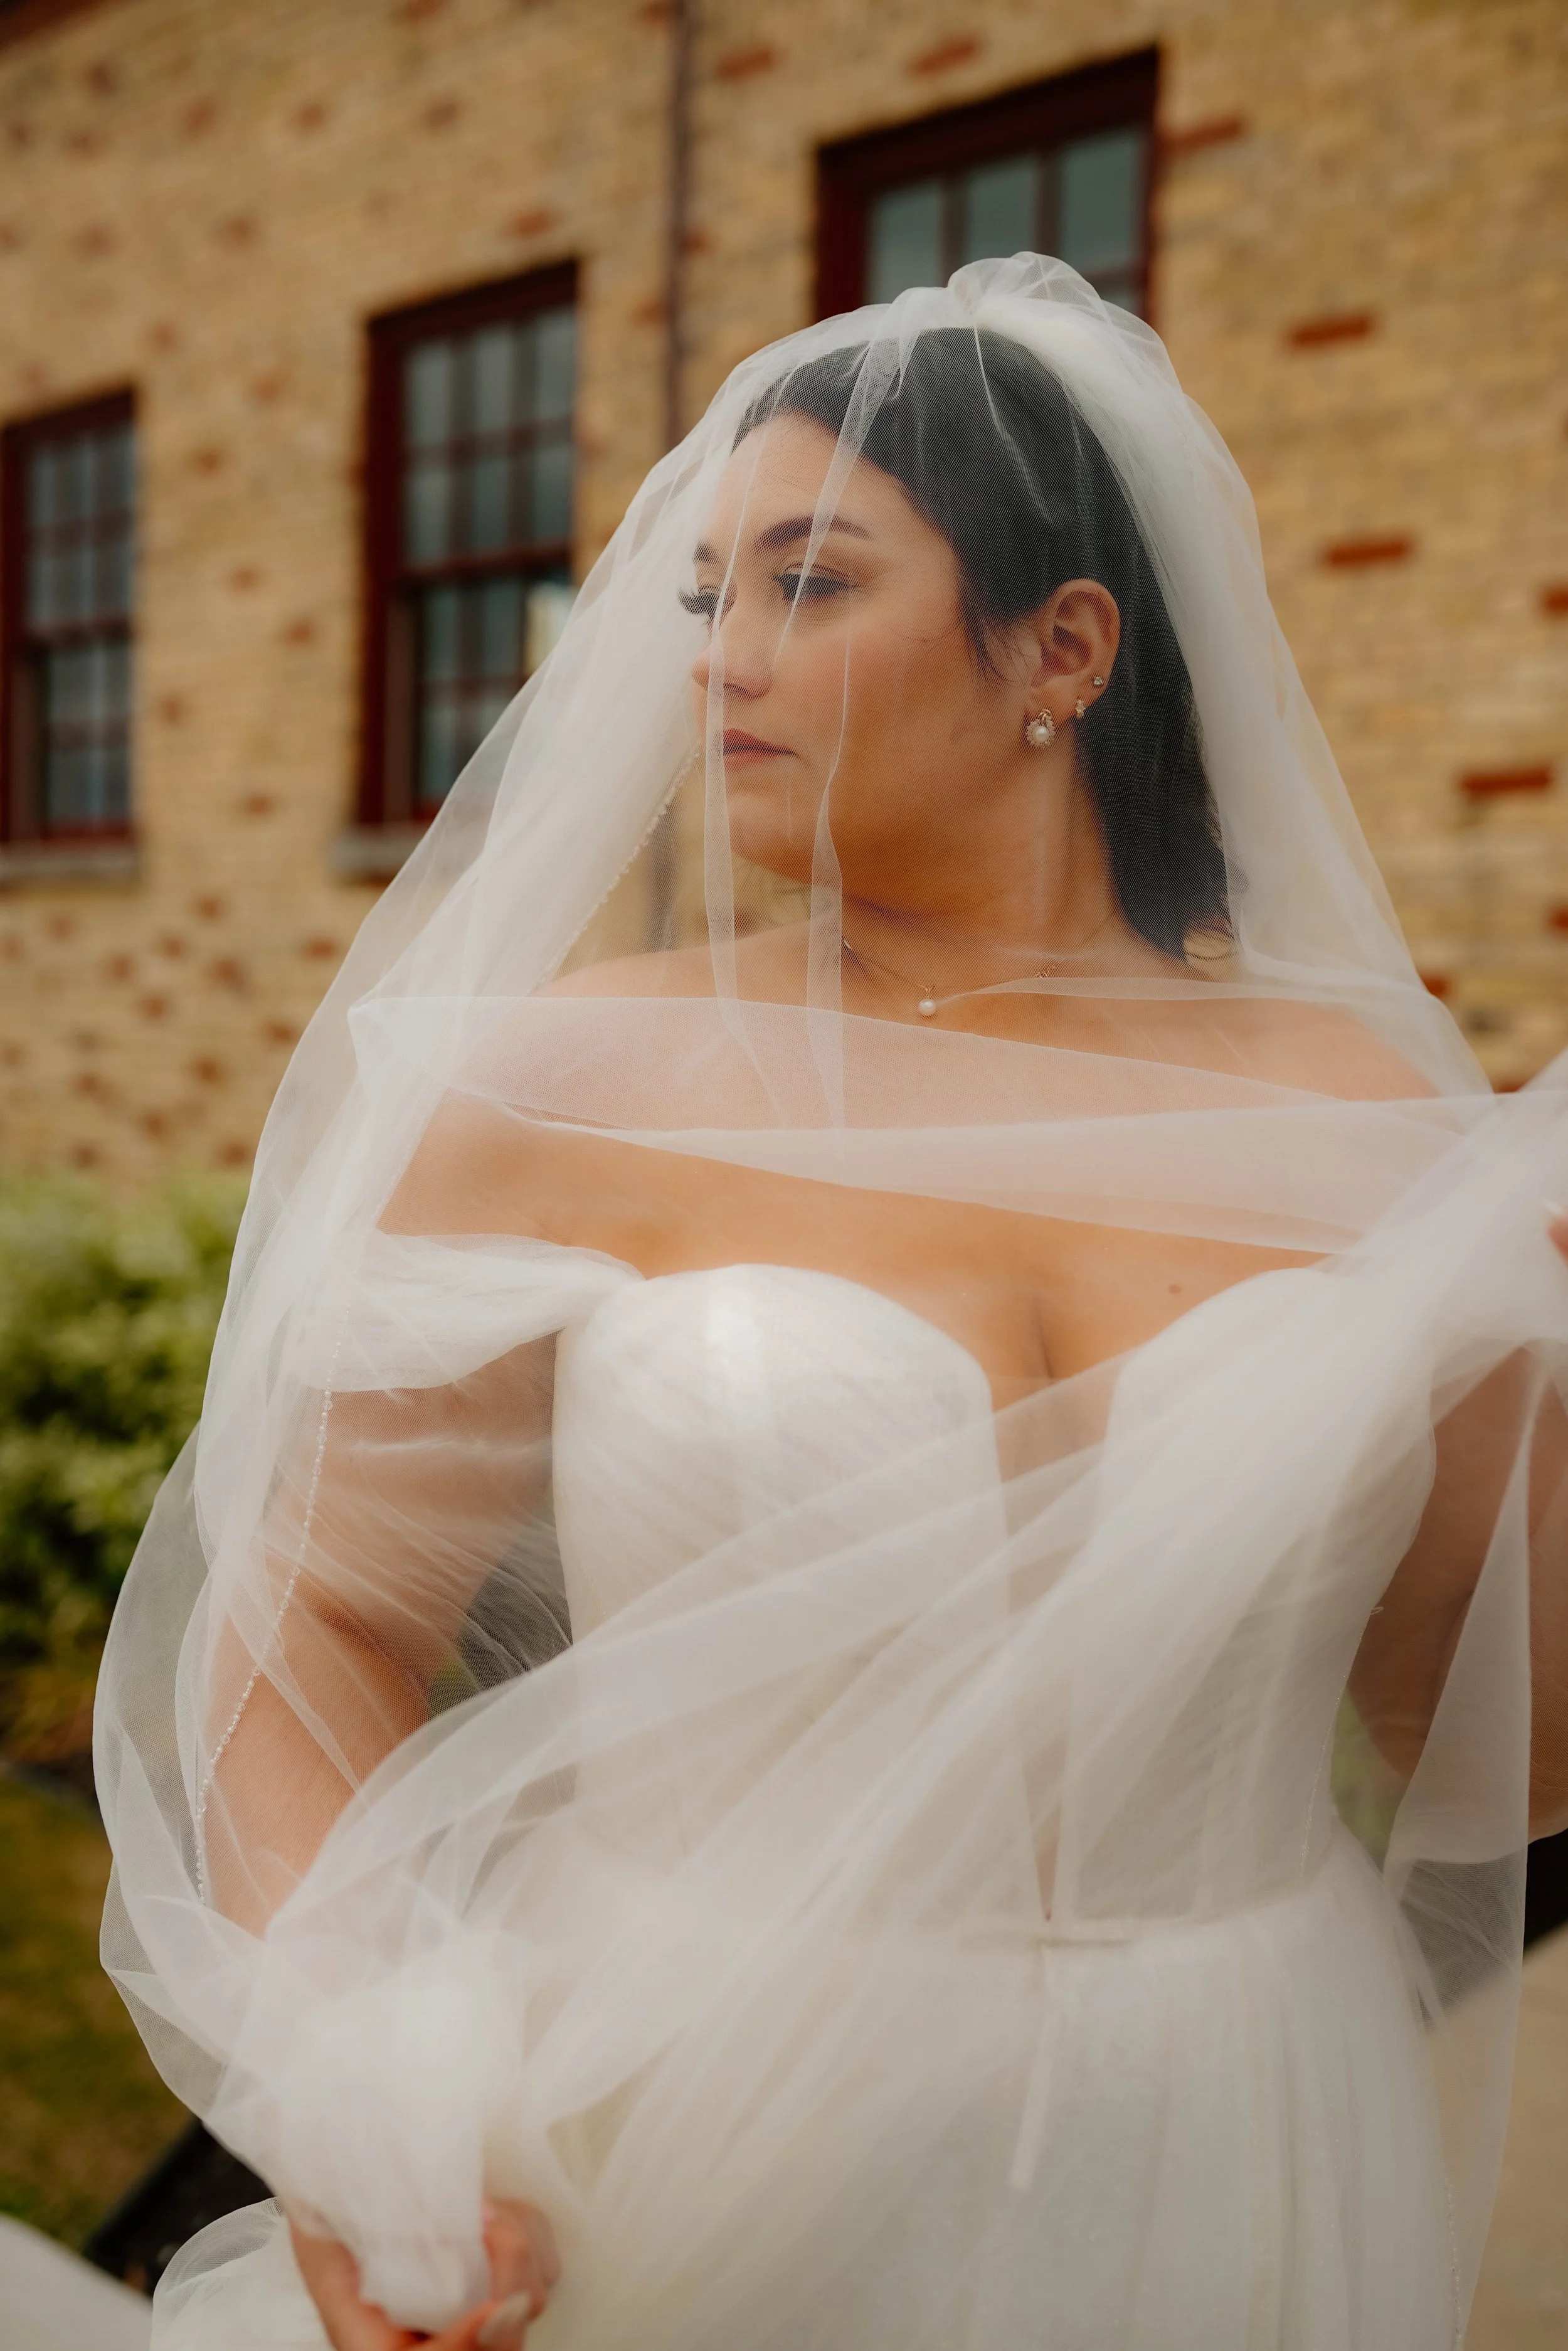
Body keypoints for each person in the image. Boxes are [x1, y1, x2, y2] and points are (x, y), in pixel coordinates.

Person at [96, 257, 1568, 2351]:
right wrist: (362, 2102)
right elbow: (305, 1628)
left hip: (1236, 2118)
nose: (717, 659)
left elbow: (1489, 1753)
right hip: (682, 2129)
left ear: (1062, 647)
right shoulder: (567, 1080)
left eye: (808, 582)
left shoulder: (1366, 1120)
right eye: (706, 596)